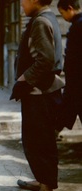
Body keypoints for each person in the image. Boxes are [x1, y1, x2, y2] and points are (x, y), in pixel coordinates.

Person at [9, 0, 64, 191]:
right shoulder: (43, 19)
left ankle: (46, 186)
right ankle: (42, 180)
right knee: (36, 140)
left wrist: (24, 79)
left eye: (24, 0)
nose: (21, 4)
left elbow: (46, 60)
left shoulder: (41, 22)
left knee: (39, 142)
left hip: (41, 94)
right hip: (40, 93)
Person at [56, 0, 82, 132]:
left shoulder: (77, 26)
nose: (63, 17)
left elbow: (73, 58)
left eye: (62, 13)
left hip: (77, 81)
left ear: (70, 9)